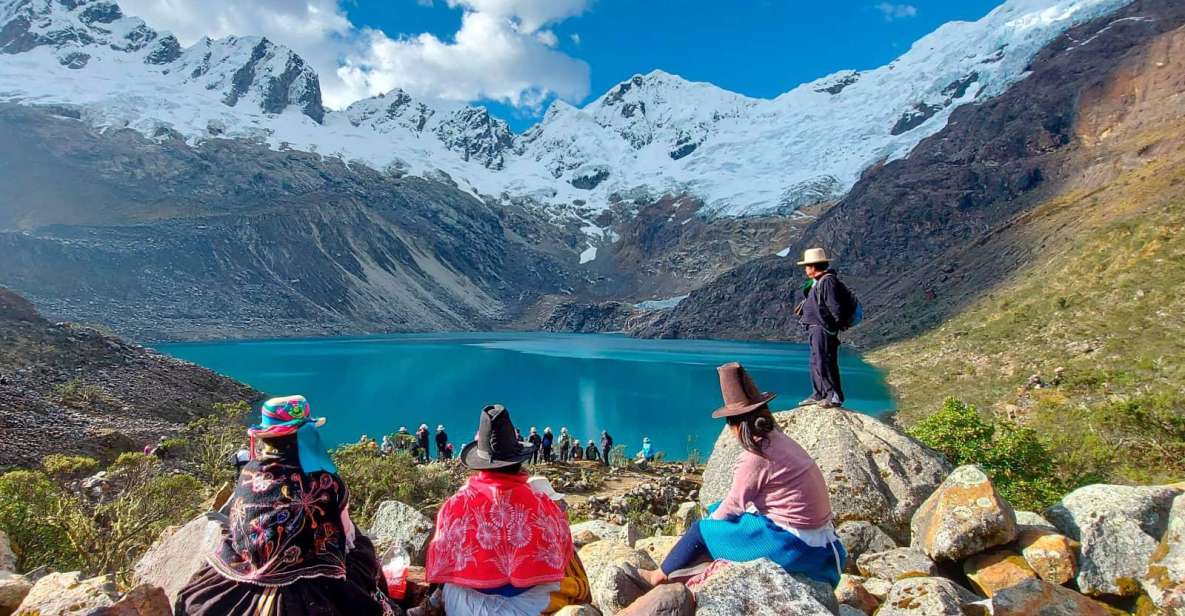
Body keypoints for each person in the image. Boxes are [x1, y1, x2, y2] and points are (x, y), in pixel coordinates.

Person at [176, 395, 401, 616]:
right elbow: (346, 535)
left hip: (248, 575)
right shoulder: (324, 480)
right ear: (303, 436)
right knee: (362, 551)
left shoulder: (250, 472)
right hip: (311, 588)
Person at [633, 363, 846, 589]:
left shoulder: (756, 455)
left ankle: (658, 576)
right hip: (818, 539)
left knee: (701, 529)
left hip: (792, 544)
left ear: (735, 425)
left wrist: (707, 528)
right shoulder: (779, 441)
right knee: (716, 509)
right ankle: (704, 560)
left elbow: (734, 505)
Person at [424, 405, 574, 615]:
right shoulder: (543, 503)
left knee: (450, 586)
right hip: (531, 605)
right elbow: (563, 548)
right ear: (518, 461)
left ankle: (430, 605)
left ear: (480, 463)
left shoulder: (457, 504)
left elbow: (443, 556)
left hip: (469, 608)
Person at [526, 476, 593, 613]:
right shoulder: (549, 537)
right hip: (555, 598)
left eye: (561, 505)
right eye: (558, 505)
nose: (561, 510)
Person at [795, 248, 849, 408]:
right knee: (816, 361)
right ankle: (819, 393)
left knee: (824, 360)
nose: (805, 270)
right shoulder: (817, 282)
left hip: (822, 328)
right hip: (815, 327)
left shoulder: (827, 281)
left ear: (813, 266)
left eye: (806, 266)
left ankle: (833, 396)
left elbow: (835, 306)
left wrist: (834, 325)